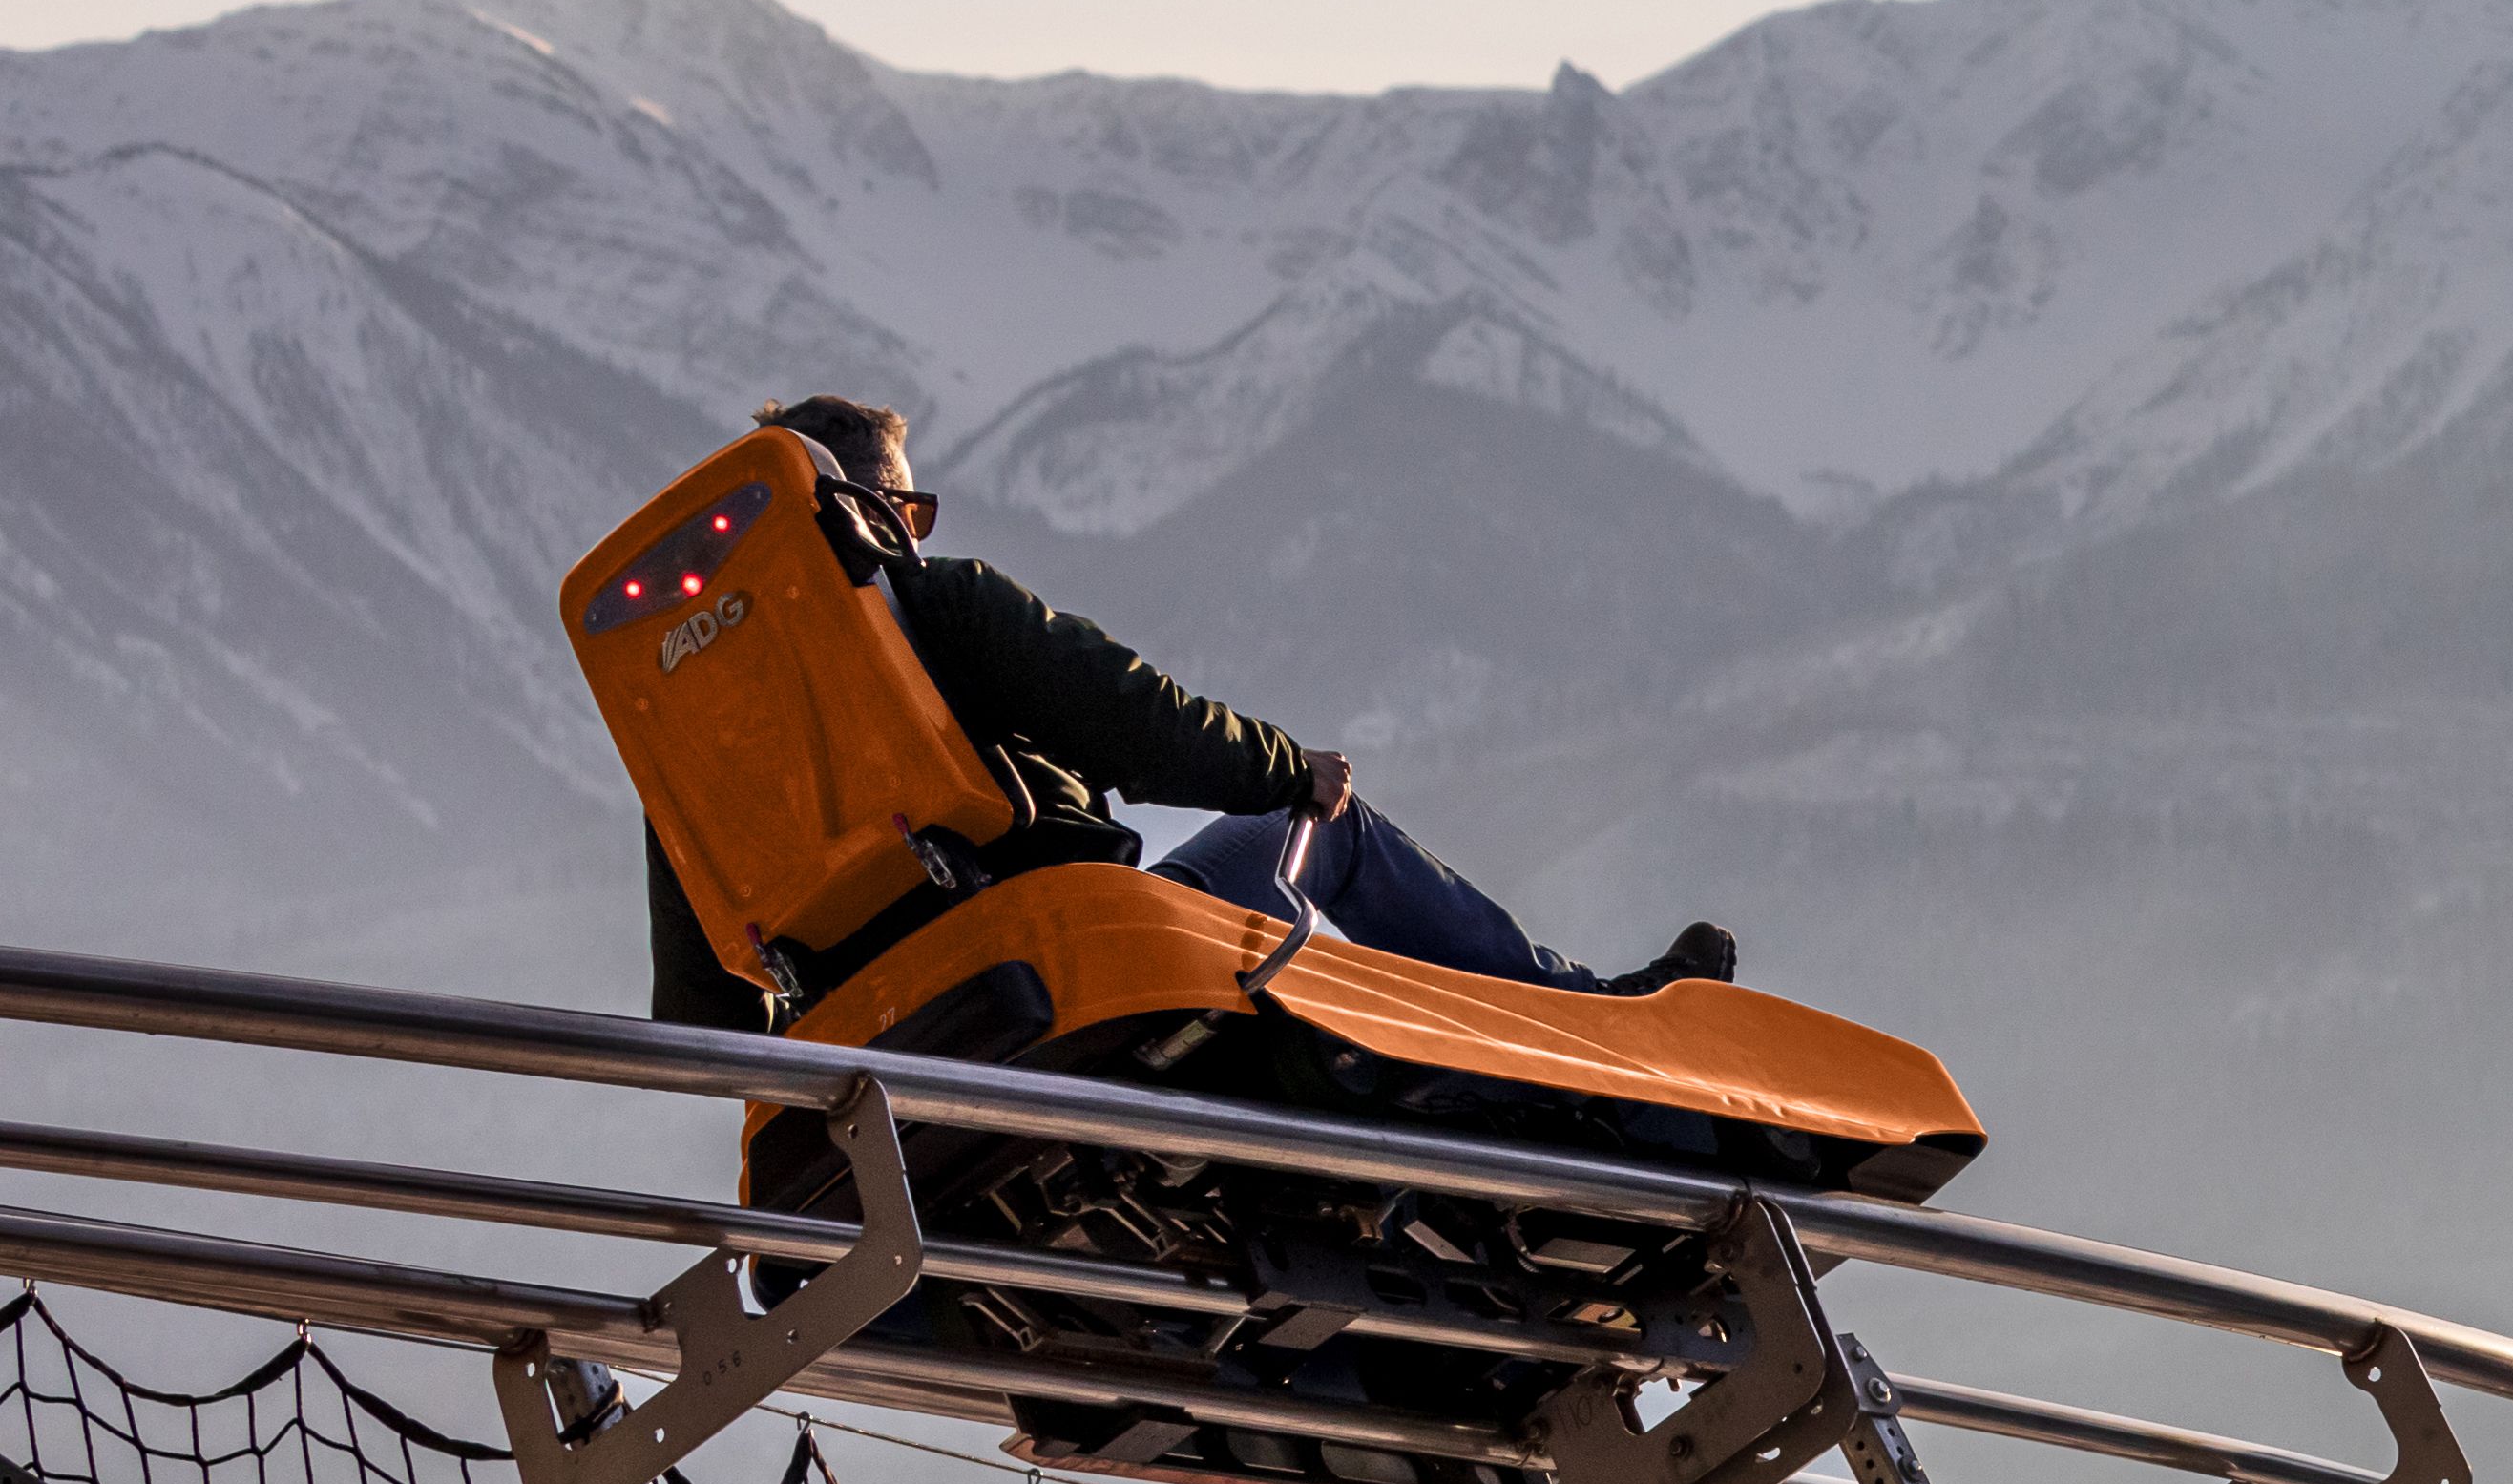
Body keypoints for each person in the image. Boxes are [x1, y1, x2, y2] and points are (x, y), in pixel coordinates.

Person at [639, 395, 1733, 1030]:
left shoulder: (693, 761)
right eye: (907, 505)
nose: (916, 531)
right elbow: (1127, 716)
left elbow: (698, 1014)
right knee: (1333, 837)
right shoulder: (932, 606)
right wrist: (1285, 769)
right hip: (1062, 970)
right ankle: (1586, 1021)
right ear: (866, 508)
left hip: (885, 1060)